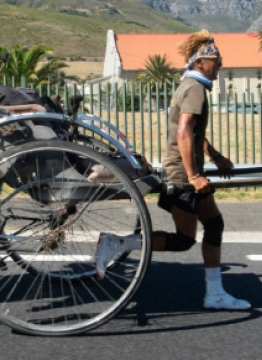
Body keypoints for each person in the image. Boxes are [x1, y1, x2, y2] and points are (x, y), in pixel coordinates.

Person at [95, 30, 250, 310]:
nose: (221, 63)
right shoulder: (195, 88)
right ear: (200, 61)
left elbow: (194, 132)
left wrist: (216, 157)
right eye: (216, 59)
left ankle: (214, 293)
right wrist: (193, 176)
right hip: (182, 172)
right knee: (183, 240)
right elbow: (183, 131)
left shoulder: (191, 85)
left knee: (214, 225)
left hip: (187, 168)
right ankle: (119, 243)